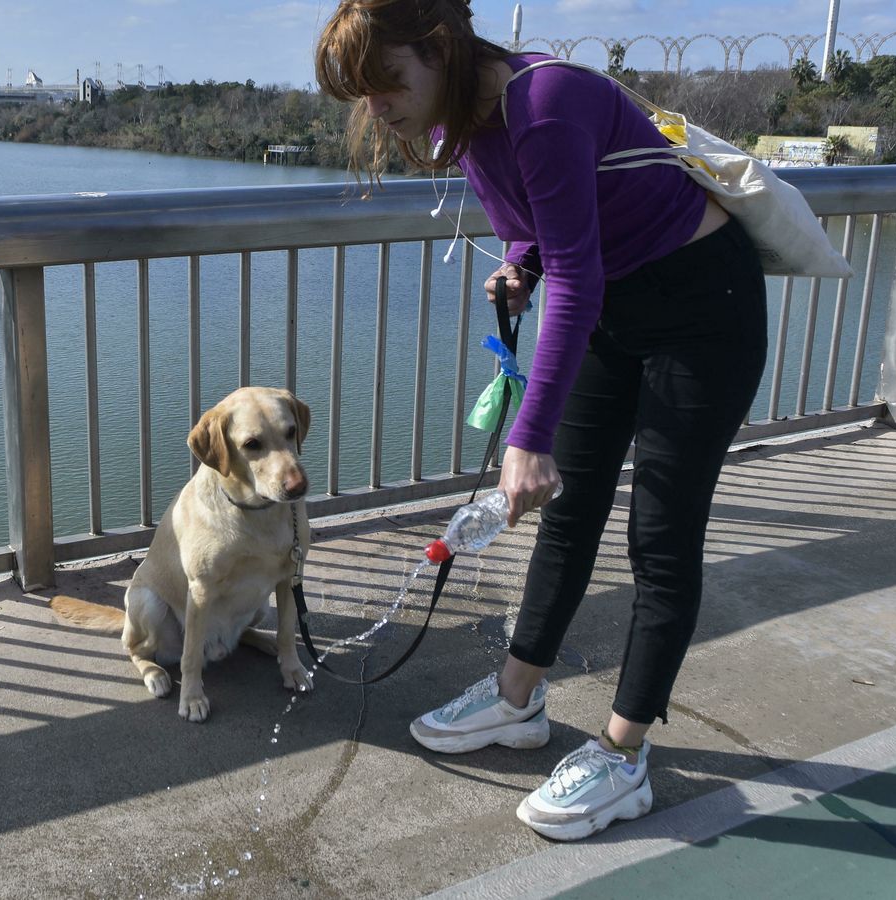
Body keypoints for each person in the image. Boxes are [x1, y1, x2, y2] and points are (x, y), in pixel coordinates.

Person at [314, 0, 768, 841]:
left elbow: (578, 270)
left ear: (440, 47)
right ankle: (519, 700)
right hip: (617, 306)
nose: (376, 107)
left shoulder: (542, 100)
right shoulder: (469, 120)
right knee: (567, 516)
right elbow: (553, 235)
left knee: (660, 541)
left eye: (386, 82)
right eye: (362, 92)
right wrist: (518, 264)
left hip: (705, 307)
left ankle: (625, 755)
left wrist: (528, 435)